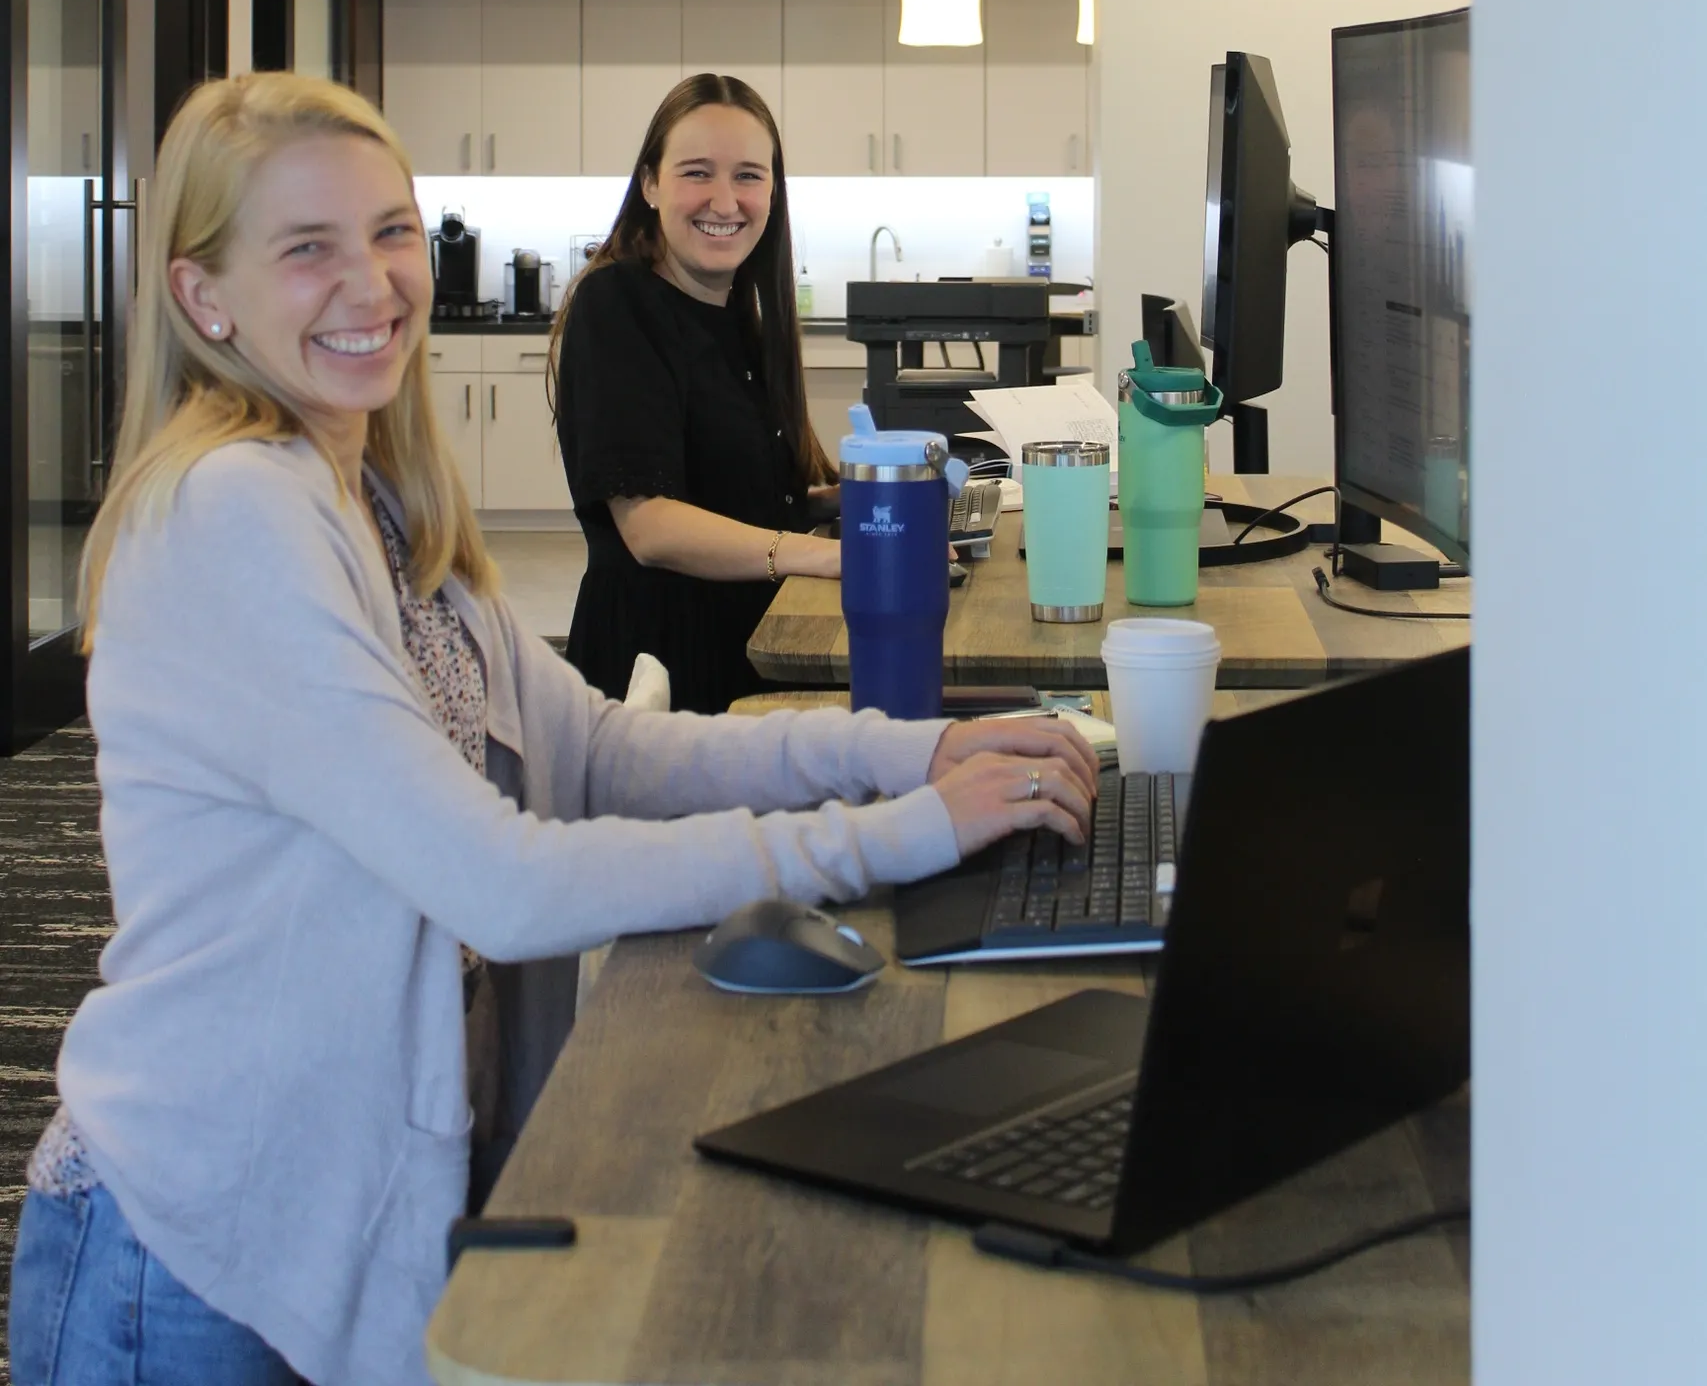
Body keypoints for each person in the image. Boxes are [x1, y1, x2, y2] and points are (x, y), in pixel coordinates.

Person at [6, 72, 1093, 1386]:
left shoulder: (382, 498)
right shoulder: (233, 511)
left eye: (392, 231)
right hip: (199, 1246)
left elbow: (607, 754)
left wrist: (902, 753)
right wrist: (901, 835)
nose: (375, 282)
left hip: (337, 1220)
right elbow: (502, 883)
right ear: (203, 296)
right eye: (307, 249)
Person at [554, 71, 842, 715]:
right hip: (659, 671)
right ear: (650, 183)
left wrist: (867, 497)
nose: (725, 200)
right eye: (696, 172)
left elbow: (739, 492)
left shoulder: (739, 313)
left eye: (747, 175)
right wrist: (824, 558)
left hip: (751, 647)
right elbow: (651, 525)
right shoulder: (616, 305)